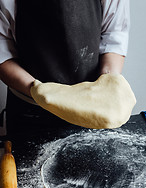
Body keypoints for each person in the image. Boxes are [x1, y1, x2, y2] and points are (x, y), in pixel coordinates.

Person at [0, 0, 130, 135]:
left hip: (93, 106)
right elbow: (2, 51)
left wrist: (108, 83)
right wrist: (38, 90)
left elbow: (114, 33)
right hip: (30, 110)